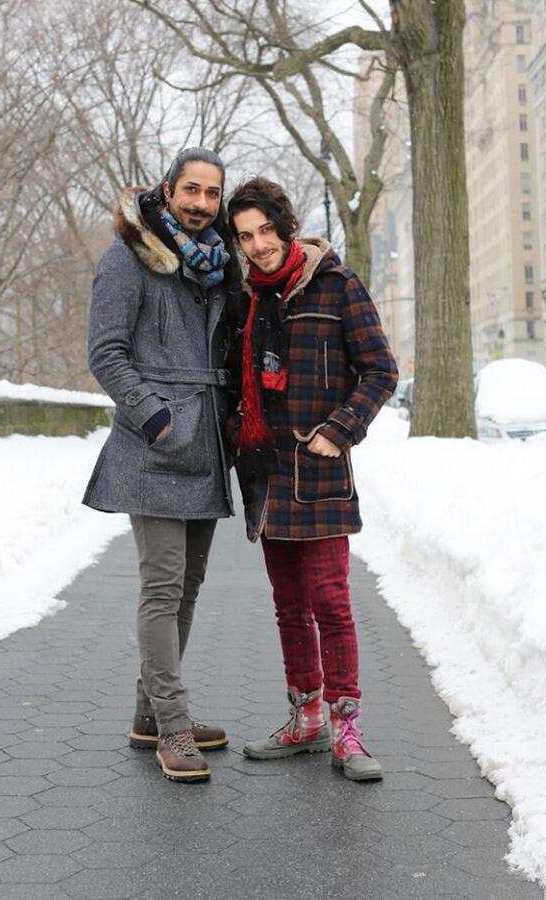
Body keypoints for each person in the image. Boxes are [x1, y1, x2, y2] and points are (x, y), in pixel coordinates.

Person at [226, 177, 398, 781]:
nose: (258, 245)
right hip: (268, 475)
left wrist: (339, 430)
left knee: (331, 602)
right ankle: (306, 717)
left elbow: (380, 369)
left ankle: (347, 728)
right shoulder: (245, 298)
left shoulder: (336, 284)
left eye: (265, 230)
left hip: (320, 471)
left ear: (286, 226)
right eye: (246, 236)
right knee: (289, 606)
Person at [83, 148, 241, 783]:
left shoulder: (218, 264)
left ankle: (150, 714)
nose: (201, 203)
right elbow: (106, 351)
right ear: (168, 189)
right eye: (191, 190)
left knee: (189, 585)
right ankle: (173, 725)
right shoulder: (129, 256)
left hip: (206, 445)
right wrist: (155, 416)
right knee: (163, 586)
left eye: (212, 193)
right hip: (155, 446)